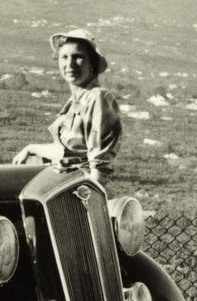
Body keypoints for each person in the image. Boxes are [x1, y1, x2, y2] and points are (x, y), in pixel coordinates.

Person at [12, 27, 122, 184]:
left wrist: (90, 201)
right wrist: (30, 148)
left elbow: (100, 166)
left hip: (85, 193)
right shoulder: (74, 102)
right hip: (68, 189)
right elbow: (67, 152)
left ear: (92, 62)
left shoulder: (98, 97)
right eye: (64, 57)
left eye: (78, 57)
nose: (70, 64)